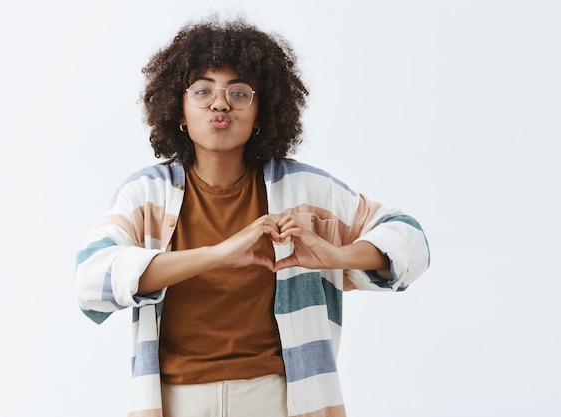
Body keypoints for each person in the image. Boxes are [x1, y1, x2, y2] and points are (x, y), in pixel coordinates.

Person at [75, 17, 430, 417]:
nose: (220, 103)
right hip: (175, 401)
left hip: (282, 400)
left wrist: (336, 256)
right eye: (202, 90)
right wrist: (217, 254)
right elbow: (90, 278)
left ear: (262, 113)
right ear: (180, 109)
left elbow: (410, 238)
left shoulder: (304, 192)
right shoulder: (146, 195)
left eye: (239, 92)